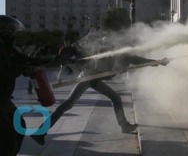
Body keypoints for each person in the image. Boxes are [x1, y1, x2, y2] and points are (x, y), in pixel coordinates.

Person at [31, 8, 169, 146]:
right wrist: (156, 62)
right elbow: (131, 58)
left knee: (112, 98)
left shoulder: (106, 41)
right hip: (90, 77)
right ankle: (40, 132)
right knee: (68, 104)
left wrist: (154, 63)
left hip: (92, 77)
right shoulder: (110, 43)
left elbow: (127, 59)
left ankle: (124, 125)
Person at [0, 15, 46, 155]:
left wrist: (51, 58)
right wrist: (19, 69)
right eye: (12, 31)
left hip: (3, 99)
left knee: (19, 126)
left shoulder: (8, 48)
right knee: (8, 138)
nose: (14, 35)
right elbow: (3, 74)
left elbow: (25, 60)